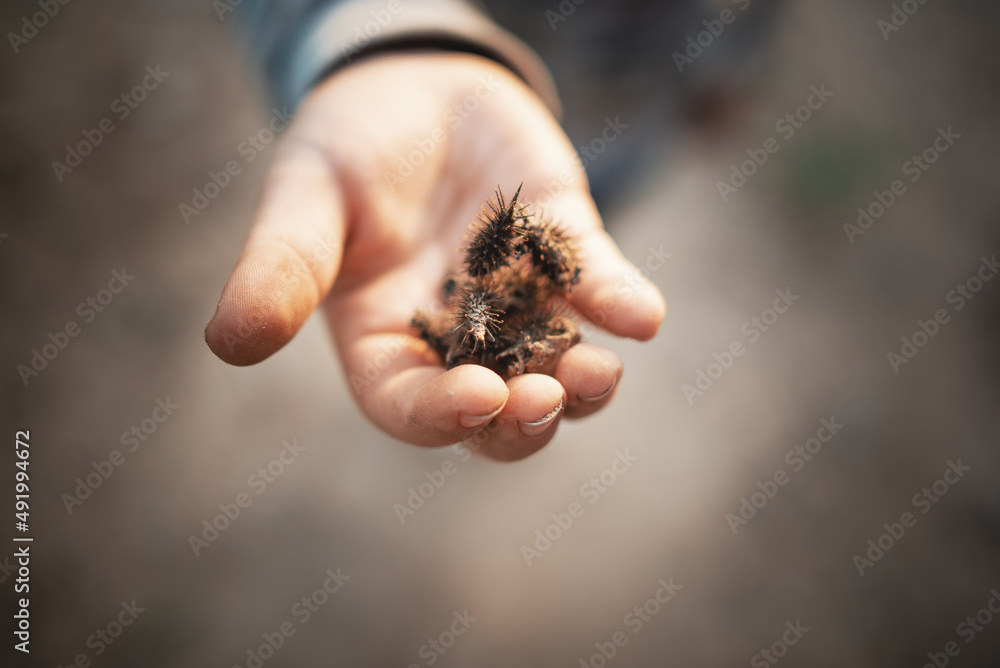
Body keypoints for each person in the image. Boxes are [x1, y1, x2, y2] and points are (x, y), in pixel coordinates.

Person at [204, 0, 666, 460]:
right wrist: (370, 32)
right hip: (493, 58)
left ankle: (513, 386)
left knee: (594, 212)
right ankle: (487, 403)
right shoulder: (473, 296)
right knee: (510, 346)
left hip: (629, 119)